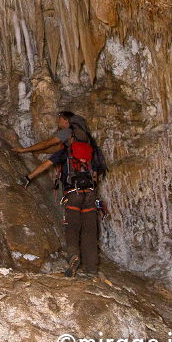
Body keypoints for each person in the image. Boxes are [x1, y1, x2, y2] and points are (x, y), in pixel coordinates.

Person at [12, 111, 106, 278]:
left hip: (73, 194)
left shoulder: (66, 152)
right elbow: (95, 176)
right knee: (90, 232)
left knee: (72, 229)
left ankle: (73, 257)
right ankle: (91, 269)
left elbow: (46, 165)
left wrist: (28, 178)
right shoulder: (93, 151)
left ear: (71, 136)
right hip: (90, 195)